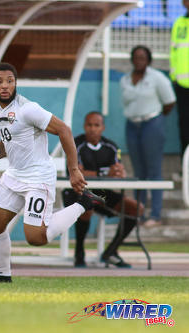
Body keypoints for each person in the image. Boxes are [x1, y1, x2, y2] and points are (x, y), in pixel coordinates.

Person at [0, 63, 105, 283]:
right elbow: (7, 142)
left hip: (38, 178)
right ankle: (3, 276)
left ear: (15, 83)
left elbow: (64, 130)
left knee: (36, 238)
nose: (5, 86)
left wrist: (73, 170)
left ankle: (84, 203)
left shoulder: (28, 109)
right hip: (14, 175)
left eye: (9, 81)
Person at [62, 111, 144, 268]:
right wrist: (104, 172)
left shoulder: (111, 147)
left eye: (96, 125)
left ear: (103, 127)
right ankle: (79, 252)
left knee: (136, 209)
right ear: (84, 126)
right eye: (89, 125)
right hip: (75, 191)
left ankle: (111, 252)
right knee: (87, 205)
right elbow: (78, 172)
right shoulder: (75, 144)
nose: (93, 129)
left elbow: (118, 172)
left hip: (102, 193)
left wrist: (120, 172)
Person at [121, 45, 176, 228]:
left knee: (154, 170)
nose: (139, 60)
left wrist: (156, 118)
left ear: (149, 60)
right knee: (139, 172)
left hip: (151, 124)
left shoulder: (157, 78)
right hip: (132, 125)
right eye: (136, 57)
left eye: (143, 57)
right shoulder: (125, 80)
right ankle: (139, 213)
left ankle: (155, 215)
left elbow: (169, 102)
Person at [170, 0, 189, 157]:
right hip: (182, 85)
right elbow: (174, 51)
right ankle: (186, 167)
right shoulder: (179, 23)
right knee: (184, 126)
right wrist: (174, 77)